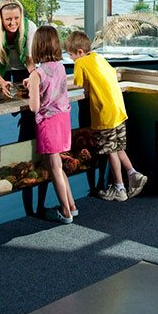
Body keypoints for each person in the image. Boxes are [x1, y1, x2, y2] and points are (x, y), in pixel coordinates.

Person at [66, 31, 148, 202]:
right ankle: (133, 174)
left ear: (80, 52)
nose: (71, 58)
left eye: (71, 55)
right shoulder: (98, 58)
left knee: (110, 151)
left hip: (105, 115)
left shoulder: (80, 63)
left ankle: (119, 188)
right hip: (118, 110)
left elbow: (78, 84)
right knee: (118, 148)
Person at [25, 26, 78, 224]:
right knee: (59, 164)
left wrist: (32, 86)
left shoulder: (37, 74)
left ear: (37, 46)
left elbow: (34, 106)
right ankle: (71, 204)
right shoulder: (61, 67)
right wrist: (32, 83)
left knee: (55, 167)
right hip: (63, 118)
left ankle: (65, 212)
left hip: (48, 123)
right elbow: (55, 87)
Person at [0, 0, 38, 97]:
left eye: (17, 18)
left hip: (24, 67)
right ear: (0, 19)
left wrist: (33, 76)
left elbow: (29, 59)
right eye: (8, 19)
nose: (13, 23)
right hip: (1, 70)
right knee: (2, 100)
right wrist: (2, 83)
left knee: (27, 102)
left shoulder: (30, 27)